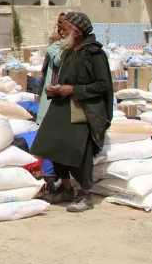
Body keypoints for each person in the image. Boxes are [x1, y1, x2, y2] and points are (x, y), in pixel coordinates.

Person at [31, 12, 113, 213]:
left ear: (76, 32)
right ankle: (66, 189)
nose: (60, 31)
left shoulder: (94, 53)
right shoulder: (68, 51)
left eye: (65, 29)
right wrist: (55, 89)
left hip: (85, 109)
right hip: (62, 105)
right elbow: (65, 80)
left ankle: (85, 195)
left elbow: (103, 86)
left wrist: (74, 90)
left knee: (80, 152)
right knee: (53, 145)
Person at [36, 13, 67, 125]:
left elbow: (59, 60)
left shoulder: (67, 41)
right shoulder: (59, 37)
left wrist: (55, 43)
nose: (57, 24)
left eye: (60, 22)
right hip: (49, 81)